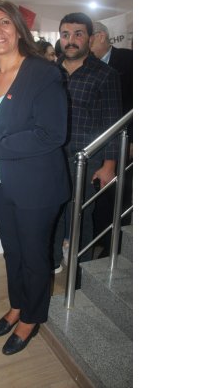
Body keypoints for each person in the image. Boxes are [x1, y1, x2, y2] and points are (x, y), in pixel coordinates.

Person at [0, 0, 69, 355]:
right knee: (12, 251)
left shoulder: (42, 73)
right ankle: (17, 304)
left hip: (36, 187)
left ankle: (32, 316)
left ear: (18, 29)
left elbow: (52, 133)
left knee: (34, 255)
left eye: (4, 22)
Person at [52, 12, 122, 270]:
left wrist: (110, 165)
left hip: (87, 159)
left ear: (90, 38)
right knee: (53, 210)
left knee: (80, 215)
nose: (71, 40)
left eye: (78, 34)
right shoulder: (49, 72)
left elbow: (113, 123)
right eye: (65, 34)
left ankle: (81, 270)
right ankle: (53, 262)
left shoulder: (105, 74)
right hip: (52, 156)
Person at [89, 21, 133, 253]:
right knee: (98, 194)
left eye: (89, 37)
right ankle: (98, 240)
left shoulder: (128, 60)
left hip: (126, 142)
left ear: (101, 36)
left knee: (121, 193)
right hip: (95, 143)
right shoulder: (87, 64)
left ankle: (114, 246)